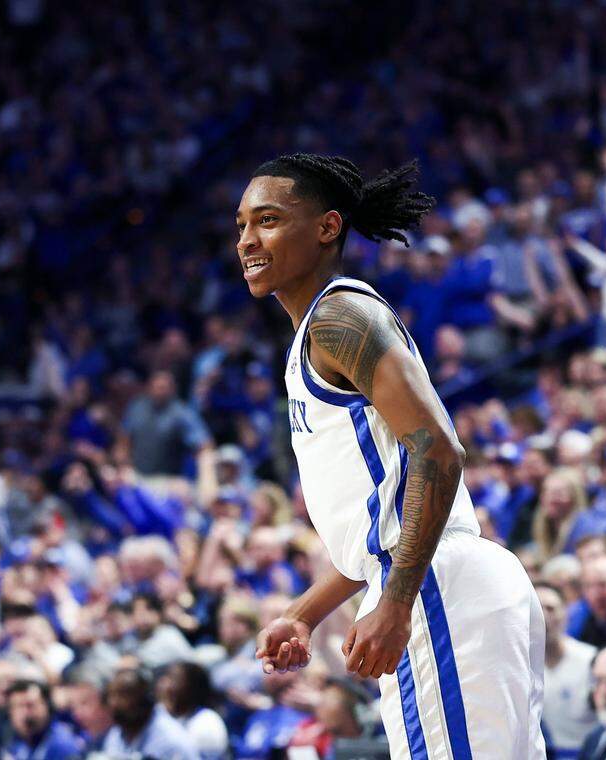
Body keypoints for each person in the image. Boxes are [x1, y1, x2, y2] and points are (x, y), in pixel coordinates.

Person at [238, 153, 545, 758]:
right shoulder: (326, 328)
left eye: (268, 220)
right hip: (442, 581)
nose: (248, 239)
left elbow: (440, 450)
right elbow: (381, 522)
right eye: (241, 224)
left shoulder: (338, 317)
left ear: (328, 227)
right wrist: (305, 613)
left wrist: (397, 602)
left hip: (435, 590)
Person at [537, 583, 597, 759]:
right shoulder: (521, 667)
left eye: (550, 608)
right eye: (537, 609)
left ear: (566, 613)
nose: (543, 617)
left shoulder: (592, 660)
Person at [100, 668, 199, 760]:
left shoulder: (171, 740)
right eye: (112, 696)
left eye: (124, 695)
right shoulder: (117, 732)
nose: (114, 703)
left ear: (145, 699)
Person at [156, 662, 229, 759]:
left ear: (192, 689)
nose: (165, 686)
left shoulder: (207, 723)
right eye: (165, 678)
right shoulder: (157, 715)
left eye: (174, 679)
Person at [1, 680, 83, 760]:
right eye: (18, 706)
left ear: (47, 706)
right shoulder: (14, 743)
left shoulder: (62, 744)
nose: (25, 713)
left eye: (30, 705)